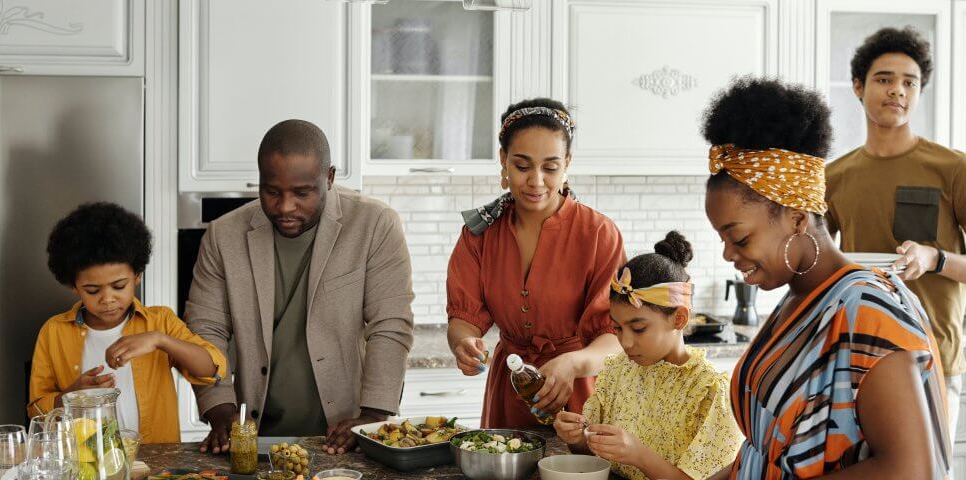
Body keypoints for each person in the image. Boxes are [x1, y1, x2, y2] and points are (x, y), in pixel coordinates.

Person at [701, 77, 950, 479]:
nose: (729, 254)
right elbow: (765, 452)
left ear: (797, 218)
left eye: (739, 237)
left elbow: (910, 470)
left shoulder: (869, 311)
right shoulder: (800, 298)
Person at [826, 27, 966, 446]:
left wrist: (936, 258)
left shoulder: (953, 168)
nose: (897, 91)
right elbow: (817, 262)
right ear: (858, 87)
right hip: (857, 357)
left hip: (929, 359)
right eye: (884, 79)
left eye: (909, 82)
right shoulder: (834, 177)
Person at [187, 119, 415, 455]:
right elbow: (205, 329)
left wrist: (373, 416)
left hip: (345, 435)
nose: (285, 207)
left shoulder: (375, 225)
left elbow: (390, 325)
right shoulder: (224, 235)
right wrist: (218, 406)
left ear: (330, 178)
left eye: (302, 193)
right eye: (272, 191)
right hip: (257, 435)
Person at [446, 98, 625, 428]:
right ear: (503, 161)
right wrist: (464, 344)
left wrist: (572, 364)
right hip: (508, 390)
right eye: (523, 166)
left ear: (567, 163)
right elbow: (463, 317)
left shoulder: (599, 234)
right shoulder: (478, 235)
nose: (537, 181)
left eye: (550, 167)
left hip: (581, 395)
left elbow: (616, 337)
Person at [29, 202, 227, 443]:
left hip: (155, 461)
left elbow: (212, 369)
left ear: (137, 276)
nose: (108, 299)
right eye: (92, 290)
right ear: (74, 287)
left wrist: (159, 340)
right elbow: (36, 413)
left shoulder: (159, 321)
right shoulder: (54, 332)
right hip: (84, 463)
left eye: (119, 286)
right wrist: (73, 396)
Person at [553, 231, 742, 480]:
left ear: (679, 318)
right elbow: (595, 455)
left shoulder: (711, 392)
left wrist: (639, 455)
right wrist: (578, 439)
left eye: (639, 328)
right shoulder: (617, 371)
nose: (626, 342)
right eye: (617, 328)